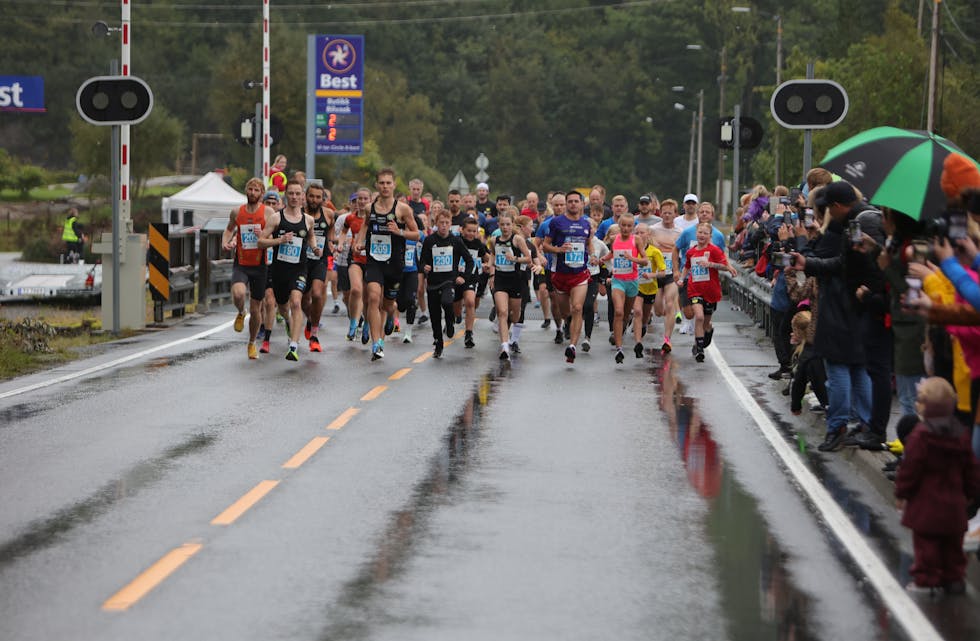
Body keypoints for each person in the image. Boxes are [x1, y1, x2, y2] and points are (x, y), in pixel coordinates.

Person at [894, 377, 980, 596]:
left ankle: (927, 578)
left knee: (926, 546)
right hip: (954, 504)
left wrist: (902, 493)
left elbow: (910, 469)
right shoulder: (961, 434)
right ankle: (954, 579)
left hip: (927, 505)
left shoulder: (920, 436)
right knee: (953, 546)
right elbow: (971, 468)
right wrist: (970, 493)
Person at [354, 168, 420, 360]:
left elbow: (416, 234)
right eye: (381, 183)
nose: (385, 186)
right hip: (374, 260)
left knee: (388, 304)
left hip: (395, 263)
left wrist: (399, 232)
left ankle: (391, 315)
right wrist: (359, 242)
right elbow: (366, 225)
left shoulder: (403, 209)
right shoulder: (369, 208)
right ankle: (377, 343)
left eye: (388, 183)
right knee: (373, 298)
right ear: (377, 185)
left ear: (394, 185)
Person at [257, 180, 321, 361]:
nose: (294, 197)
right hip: (279, 270)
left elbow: (311, 237)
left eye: (297, 194)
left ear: (303, 197)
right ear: (286, 196)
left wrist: (315, 248)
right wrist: (279, 240)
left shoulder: (308, 220)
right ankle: (287, 320)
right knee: (283, 307)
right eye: (291, 193)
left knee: (296, 302)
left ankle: (294, 345)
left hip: (299, 268)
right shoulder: (276, 218)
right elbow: (260, 242)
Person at [222, 177, 274, 359]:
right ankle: (239, 312)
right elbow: (229, 229)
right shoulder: (237, 211)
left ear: (261, 193)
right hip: (242, 263)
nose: (252, 193)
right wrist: (225, 242)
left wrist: (265, 234)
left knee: (256, 308)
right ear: (246, 190)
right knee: (238, 293)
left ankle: (251, 343)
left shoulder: (268, 212)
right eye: (250, 189)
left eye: (256, 190)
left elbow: (274, 233)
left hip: (260, 265)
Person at [542, 189, 593, 363]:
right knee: (566, 311)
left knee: (578, 307)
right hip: (560, 274)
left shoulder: (587, 224)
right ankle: (568, 322)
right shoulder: (557, 222)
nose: (572, 204)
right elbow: (545, 245)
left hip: (580, 274)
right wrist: (558, 249)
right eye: (569, 201)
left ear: (581, 204)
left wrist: (592, 255)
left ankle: (572, 346)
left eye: (575, 201)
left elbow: (588, 244)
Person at [678, 222, 737, 362]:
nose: (702, 235)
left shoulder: (714, 250)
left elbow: (724, 266)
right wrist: (681, 278)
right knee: (698, 317)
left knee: (705, 323)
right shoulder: (691, 251)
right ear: (696, 234)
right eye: (700, 232)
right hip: (695, 289)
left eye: (705, 233)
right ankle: (699, 349)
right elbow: (687, 267)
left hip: (711, 291)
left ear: (710, 236)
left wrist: (710, 264)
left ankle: (708, 330)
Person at [420, 209, 474, 358]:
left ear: (451, 224)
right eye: (441, 223)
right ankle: (438, 343)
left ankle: (450, 323)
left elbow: (469, 260)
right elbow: (422, 260)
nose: (444, 226)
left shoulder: (456, 240)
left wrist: (463, 276)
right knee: (435, 315)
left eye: (447, 223)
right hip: (433, 282)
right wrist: (424, 267)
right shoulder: (429, 240)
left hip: (449, 281)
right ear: (436, 224)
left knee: (448, 302)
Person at [597, 213, 649, 363]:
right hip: (617, 280)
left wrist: (632, 258)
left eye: (629, 226)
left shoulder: (637, 240)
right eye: (623, 225)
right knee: (618, 312)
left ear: (632, 227)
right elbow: (613, 254)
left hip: (632, 281)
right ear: (619, 226)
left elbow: (645, 261)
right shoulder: (615, 239)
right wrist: (602, 260)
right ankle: (619, 348)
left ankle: (621, 331)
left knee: (625, 315)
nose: (626, 228)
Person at [489, 210, 534, 360]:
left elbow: (529, 259)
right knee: (502, 312)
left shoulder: (518, 240)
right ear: (498, 225)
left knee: (515, 317)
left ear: (512, 225)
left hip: (516, 280)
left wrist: (514, 259)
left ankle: (510, 332)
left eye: (508, 224)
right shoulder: (494, 240)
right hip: (500, 280)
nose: (505, 227)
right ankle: (504, 346)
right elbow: (492, 257)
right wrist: (491, 273)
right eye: (502, 224)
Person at [301, 182, 335, 352]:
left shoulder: (328, 214)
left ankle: (314, 334)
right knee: (303, 300)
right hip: (301, 261)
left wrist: (330, 243)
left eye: (318, 197)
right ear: (306, 197)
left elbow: (331, 231)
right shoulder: (299, 213)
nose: (314, 200)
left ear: (323, 199)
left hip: (319, 260)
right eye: (311, 196)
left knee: (317, 293)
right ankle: (310, 319)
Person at [651, 199, 682, 352]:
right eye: (664, 213)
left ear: (675, 214)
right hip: (656, 273)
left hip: (672, 273)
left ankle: (667, 339)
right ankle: (666, 317)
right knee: (658, 309)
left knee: (670, 303)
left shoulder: (680, 232)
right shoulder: (653, 229)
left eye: (670, 213)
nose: (667, 215)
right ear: (660, 213)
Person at [457, 218, 490, 349]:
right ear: (462, 230)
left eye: (474, 231)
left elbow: (488, 257)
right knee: (455, 307)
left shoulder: (478, 244)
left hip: (471, 277)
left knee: (470, 302)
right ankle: (457, 315)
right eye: (468, 231)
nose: (471, 234)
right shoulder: (457, 241)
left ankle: (469, 333)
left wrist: (489, 264)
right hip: (456, 277)